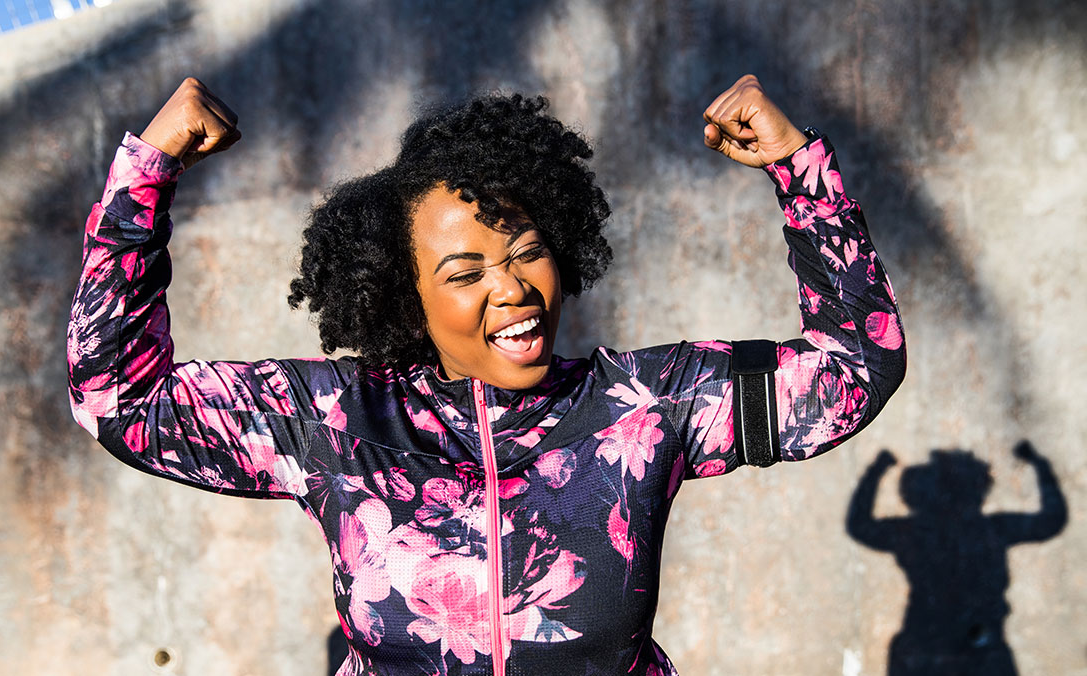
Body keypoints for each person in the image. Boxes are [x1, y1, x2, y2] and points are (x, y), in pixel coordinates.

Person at [68, 74, 906, 675]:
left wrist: (801, 173)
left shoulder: (642, 407)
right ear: (407, 297)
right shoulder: (332, 421)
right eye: (465, 275)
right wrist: (147, 173)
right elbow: (118, 393)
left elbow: (854, 365)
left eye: (528, 253)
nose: (512, 290)